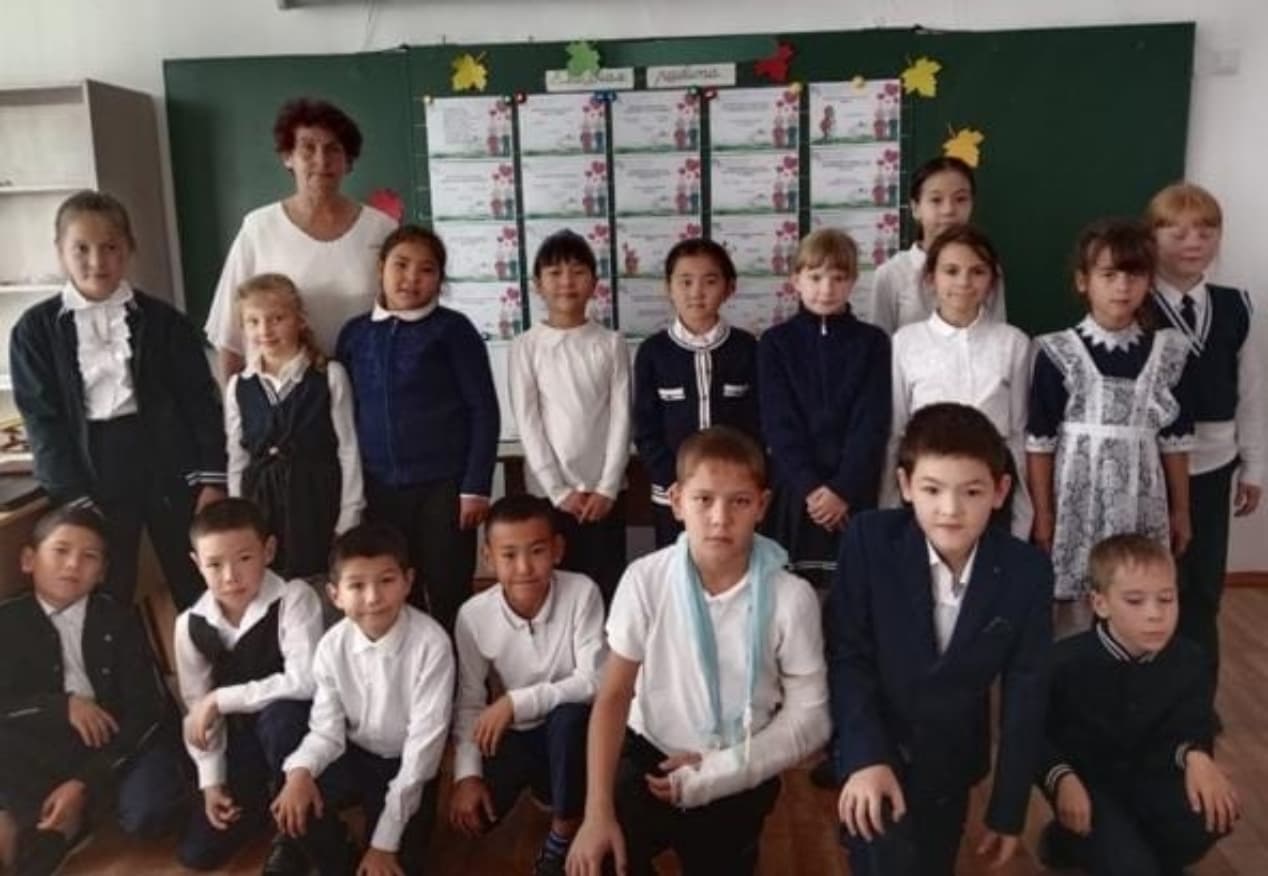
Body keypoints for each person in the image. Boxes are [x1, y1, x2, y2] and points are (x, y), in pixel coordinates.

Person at [566, 427, 830, 876]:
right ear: (676, 500)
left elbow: (811, 717)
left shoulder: (791, 596)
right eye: (703, 499)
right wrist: (596, 814)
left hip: (740, 761)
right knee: (600, 858)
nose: (720, 518)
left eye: (739, 501)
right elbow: (613, 696)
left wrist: (716, 773)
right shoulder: (644, 579)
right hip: (648, 752)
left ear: (762, 505)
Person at [831, 403, 1052, 876]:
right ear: (906, 485)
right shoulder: (868, 541)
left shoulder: (1026, 572)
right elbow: (848, 657)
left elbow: (1026, 694)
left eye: (971, 491)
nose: (950, 510)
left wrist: (1008, 809)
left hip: (951, 759)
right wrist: (865, 756)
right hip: (877, 742)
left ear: (1000, 491)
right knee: (882, 860)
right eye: (932, 489)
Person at [10, 190, 225, 608]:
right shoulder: (34, 331)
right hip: (91, 469)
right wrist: (72, 494)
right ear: (60, 251)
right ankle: (117, 653)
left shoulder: (164, 321)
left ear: (129, 249)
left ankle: (207, 650)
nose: (97, 261)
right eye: (81, 248)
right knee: (107, 585)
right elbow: (42, 420)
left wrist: (211, 478)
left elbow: (200, 402)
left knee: (196, 576)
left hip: (167, 460)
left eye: (110, 247)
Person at [0, 506, 187, 875]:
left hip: (113, 741)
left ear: (102, 572)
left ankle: (74, 814)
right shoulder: (7, 622)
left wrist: (83, 782)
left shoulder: (117, 619)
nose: (73, 564)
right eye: (61, 551)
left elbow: (147, 708)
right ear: (28, 560)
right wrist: (62, 706)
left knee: (150, 812)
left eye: (89, 557)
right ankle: (36, 827)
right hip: (37, 743)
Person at [1036, 533, 1239, 873]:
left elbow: (1192, 722)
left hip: (1153, 781)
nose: (1155, 614)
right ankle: (1066, 841)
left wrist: (1197, 756)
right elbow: (1034, 737)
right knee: (1129, 864)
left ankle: (1143, 853)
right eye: (1135, 601)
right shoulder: (1062, 664)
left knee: (1216, 810)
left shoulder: (1191, 659)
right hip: (1090, 788)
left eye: (1166, 599)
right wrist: (1061, 778)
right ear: (1100, 604)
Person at [1027, 219, 1194, 625]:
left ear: (1149, 282)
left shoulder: (1168, 352)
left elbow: (1174, 441)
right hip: (1075, 499)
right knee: (1074, 605)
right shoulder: (1057, 351)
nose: (1122, 286)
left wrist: (1182, 510)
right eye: (1109, 274)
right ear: (1083, 281)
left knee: (1135, 592)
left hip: (1141, 498)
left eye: (1134, 275)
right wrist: (1043, 513)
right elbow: (1040, 442)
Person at [337, 225, 499, 633]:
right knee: (393, 592)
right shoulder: (355, 334)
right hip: (379, 490)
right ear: (381, 268)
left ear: (440, 280)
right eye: (401, 265)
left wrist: (475, 487)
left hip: (444, 489)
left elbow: (484, 410)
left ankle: (459, 673)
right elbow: (342, 413)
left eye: (426, 270)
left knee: (449, 590)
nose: (411, 278)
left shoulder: (453, 330)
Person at [271, 523, 455, 876]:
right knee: (294, 789)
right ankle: (339, 859)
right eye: (356, 585)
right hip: (354, 755)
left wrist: (384, 844)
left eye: (386, 580)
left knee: (398, 859)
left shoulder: (432, 644)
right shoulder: (331, 646)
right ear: (335, 594)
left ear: (408, 581)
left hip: (407, 764)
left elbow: (423, 751)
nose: (373, 597)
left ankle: (381, 841)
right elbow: (326, 731)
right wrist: (301, 771)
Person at [1145, 182, 1266, 705]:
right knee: (1146, 584)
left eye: (1205, 230)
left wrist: (1254, 466)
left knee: (1202, 588)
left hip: (1215, 466)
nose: (1193, 241)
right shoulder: (1133, 300)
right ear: (1152, 238)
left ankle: (1194, 703)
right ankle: (1143, 698)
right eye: (1176, 231)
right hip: (1146, 467)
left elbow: (1252, 391)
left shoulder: (1236, 305)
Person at [449, 494, 605, 876]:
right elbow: (469, 701)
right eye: (508, 555)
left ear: (558, 550)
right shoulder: (473, 615)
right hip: (516, 734)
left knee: (569, 717)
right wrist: (467, 775)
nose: (524, 568)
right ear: (488, 557)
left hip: (570, 731)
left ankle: (562, 835)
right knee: (475, 820)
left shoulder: (582, 591)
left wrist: (516, 702)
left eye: (537, 551)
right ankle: (548, 788)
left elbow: (594, 681)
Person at [174, 498, 323, 874]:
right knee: (197, 853)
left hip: (297, 733)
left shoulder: (293, 598)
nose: (230, 576)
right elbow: (198, 710)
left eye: (244, 558)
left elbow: (305, 681)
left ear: (268, 551)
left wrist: (221, 698)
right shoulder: (189, 624)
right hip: (241, 741)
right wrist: (211, 780)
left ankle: (299, 832)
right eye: (214, 564)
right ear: (196, 563)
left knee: (280, 720)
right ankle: (263, 804)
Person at [205, 98, 397, 378]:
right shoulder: (259, 228)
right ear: (288, 157)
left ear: (348, 161)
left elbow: (404, 319)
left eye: (333, 149)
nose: (321, 161)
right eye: (308, 148)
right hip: (282, 394)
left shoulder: (381, 229)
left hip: (366, 387)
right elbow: (229, 335)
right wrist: (231, 402)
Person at [757, 228, 890, 590]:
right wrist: (812, 489)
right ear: (796, 280)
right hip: (795, 490)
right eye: (815, 277)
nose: (826, 289)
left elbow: (871, 423)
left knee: (851, 593)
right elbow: (779, 424)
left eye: (838, 278)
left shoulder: (873, 343)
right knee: (790, 593)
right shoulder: (775, 343)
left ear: (853, 282)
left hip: (853, 491)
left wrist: (842, 489)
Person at [882, 224, 1033, 537]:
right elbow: (896, 432)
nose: (964, 282)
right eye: (951, 271)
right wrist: (889, 507)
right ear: (931, 278)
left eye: (977, 272)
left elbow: (1019, 434)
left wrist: (1023, 516)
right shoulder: (905, 342)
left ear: (992, 280)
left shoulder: (1013, 343)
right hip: (927, 489)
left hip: (990, 488)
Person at [509, 230, 631, 603]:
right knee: (557, 586)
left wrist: (608, 487)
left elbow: (621, 418)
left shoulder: (611, 343)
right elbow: (528, 422)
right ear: (537, 284)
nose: (566, 282)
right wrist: (558, 490)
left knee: (605, 583)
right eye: (555, 273)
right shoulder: (526, 346)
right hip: (549, 493)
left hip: (604, 494)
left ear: (594, 283)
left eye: (578, 272)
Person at [225, 273, 364, 579]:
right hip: (261, 503)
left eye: (277, 318)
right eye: (253, 321)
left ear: (299, 319)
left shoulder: (329, 375)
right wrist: (238, 517)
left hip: (316, 499)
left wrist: (349, 515)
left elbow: (348, 449)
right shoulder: (239, 386)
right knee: (271, 582)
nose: (265, 330)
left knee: (319, 579)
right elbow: (237, 457)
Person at [633, 238, 760, 547]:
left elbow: (759, 424)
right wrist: (677, 481)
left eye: (710, 281)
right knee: (676, 566)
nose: (696, 292)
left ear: (730, 288)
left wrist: (744, 478)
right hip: (673, 494)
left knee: (733, 564)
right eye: (685, 281)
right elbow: (646, 429)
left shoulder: (748, 348)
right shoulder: (653, 352)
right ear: (668, 287)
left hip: (734, 495)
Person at [867, 157, 1006, 333]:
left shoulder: (985, 268)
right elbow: (879, 344)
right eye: (936, 200)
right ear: (915, 208)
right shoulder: (891, 274)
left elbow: (999, 337)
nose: (949, 210)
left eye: (960, 199)